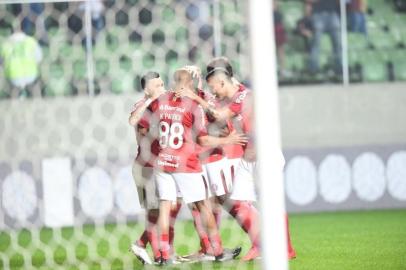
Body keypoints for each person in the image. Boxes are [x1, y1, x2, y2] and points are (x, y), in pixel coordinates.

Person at [140, 69, 246, 265]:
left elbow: (145, 126)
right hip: (185, 163)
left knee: (165, 206)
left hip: (163, 162)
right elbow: (203, 140)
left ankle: (163, 254)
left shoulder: (160, 101)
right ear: (190, 85)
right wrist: (228, 140)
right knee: (203, 205)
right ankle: (218, 250)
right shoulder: (193, 105)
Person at [128, 72, 181, 265]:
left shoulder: (164, 105)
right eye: (156, 86)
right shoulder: (143, 107)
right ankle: (159, 255)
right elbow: (138, 127)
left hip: (162, 165)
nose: (162, 88)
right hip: (146, 166)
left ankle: (143, 245)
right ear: (146, 89)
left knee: (165, 209)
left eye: (162, 84)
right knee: (154, 210)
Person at [0, 31, 42, 98]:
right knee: (36, 83)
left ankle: (13, 99)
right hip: (31, 74)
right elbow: (39, 58)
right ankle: (37, 98)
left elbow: (1, 62)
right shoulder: (31, 41)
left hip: (13, 76)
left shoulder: (5, 43)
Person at [306, 0, 342, 76]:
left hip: (332, 14)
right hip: (318, 14)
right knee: (316, 43)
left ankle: (339, 68)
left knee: (337, 43)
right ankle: (313, 68)